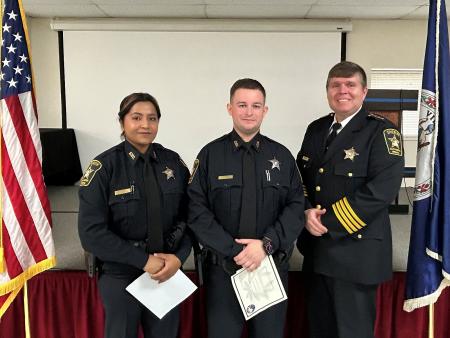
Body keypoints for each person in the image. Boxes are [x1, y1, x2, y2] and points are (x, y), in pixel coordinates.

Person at [188, 78, 304, 338]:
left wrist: (265, 245)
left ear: (265, 110)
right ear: (229, 108)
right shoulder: (210, 155)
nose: (249, 112)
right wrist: (236, 252)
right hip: (224, 271)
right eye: (242, 105)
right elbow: (196, 211)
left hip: (269, 268)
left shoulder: (282, 156)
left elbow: (296, 208)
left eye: (256, 105)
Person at [296, 61, 404, 338]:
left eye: (350, 85)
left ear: (364, 91)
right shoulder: (316, 129)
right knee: (319, 329)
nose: (342, 91)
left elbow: (381, 191)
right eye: (336, 85)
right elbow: (300, 177)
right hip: (318, 252)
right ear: (328, 91)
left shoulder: (382, 132)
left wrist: (324, 222)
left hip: (356, 254)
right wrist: (306, 211)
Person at [78, 92, 191, 338]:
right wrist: (143, 260)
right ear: (122, 122)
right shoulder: (104, 168)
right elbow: (91, 234)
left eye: (152, 118)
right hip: (121, 273)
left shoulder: (173, 163)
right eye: (136, 117)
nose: (145, 125)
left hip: (166, 271)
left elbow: (190, 217)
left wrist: (179, 258)